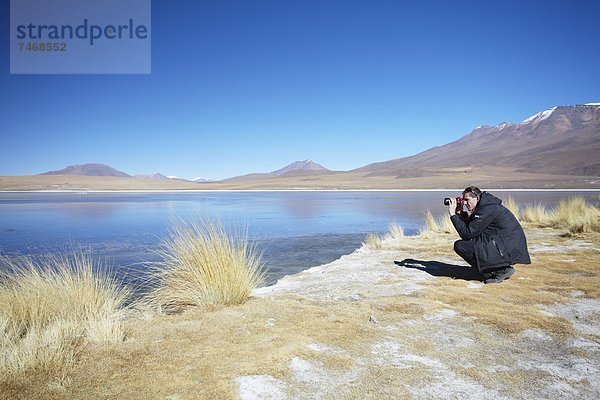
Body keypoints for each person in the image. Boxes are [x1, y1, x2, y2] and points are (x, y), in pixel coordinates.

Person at [448, 186, 531, 284]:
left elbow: (467, 234)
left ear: (477, 198)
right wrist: (459, 213)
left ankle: (498, 271)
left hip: (507, 248)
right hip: (505, 245)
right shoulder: (486, 206)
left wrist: (453, 215)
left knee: (460, 246)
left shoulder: (487, 209)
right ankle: (497, 269)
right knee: (473, 243)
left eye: (467, 200)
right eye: (463, 200)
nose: (464, 203)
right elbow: (473, 226)